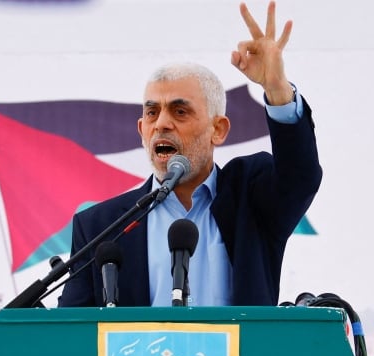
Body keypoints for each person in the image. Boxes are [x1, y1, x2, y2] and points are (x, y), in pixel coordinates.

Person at [58, 1, 321, 308]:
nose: (163, 124)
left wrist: (277, 89)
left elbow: (300, 177)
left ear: (218, 129)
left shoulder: (252, 201)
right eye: (152, 113)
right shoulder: (101, 228)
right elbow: (72, 335)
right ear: (142, 129)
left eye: (180, 111)